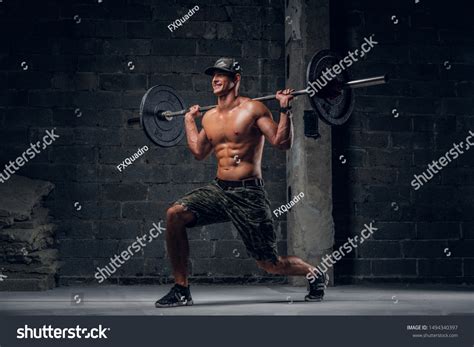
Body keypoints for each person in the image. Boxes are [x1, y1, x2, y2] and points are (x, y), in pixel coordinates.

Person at [155, 58, 326, 308]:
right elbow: (199, 151)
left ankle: (314, 272)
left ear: (235, 79)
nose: (215, 79)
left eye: (221, 74)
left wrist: (284, 110)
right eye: (213, 74)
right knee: (175, 214)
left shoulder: (253, 109)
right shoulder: (210, 117)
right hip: (219, 189)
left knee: (270, 264)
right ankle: (181, 290)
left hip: (248, 193)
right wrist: (189, 122)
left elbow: (282, 143)